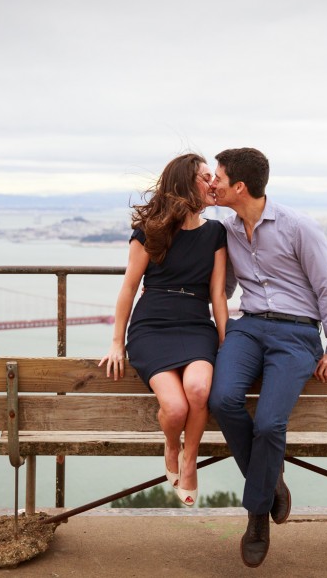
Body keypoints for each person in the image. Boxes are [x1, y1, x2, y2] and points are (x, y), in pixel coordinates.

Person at [207, 147, 327, 568]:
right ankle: (270, 483)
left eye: (218, 177)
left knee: (270, 424)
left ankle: (257, 517)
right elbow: (222, 287)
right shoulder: (227, 231)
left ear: (240, 187)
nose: (212, 183)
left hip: (296, 333)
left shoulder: (298, 226)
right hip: (248, 328)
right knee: (222, 400)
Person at [99, 153, 228, 507]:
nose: (213, 183)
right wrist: (116, 343)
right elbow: (129, 287)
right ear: (187, 182)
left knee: (198, 389)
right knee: (174, 408)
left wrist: (225, 341)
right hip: (152, 327)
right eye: (206, 177)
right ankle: (172, 446)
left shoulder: (216, 233)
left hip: (196, 324)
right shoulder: (150, 230)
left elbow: (218, 294)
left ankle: (190, 459)